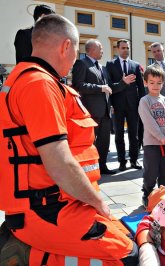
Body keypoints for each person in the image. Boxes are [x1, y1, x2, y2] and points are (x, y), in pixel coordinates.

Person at [0, 14, 137, 265]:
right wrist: (98, 204)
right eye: (75, 49)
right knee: (126, 254)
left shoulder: (34, 79)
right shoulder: (39, 84)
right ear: (66, 46)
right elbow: (59, 161)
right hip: (47, 209)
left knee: (125, 234)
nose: (75, 59)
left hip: (57, 201)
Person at [72, 39, 116, 175]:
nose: (102, 50)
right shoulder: (81, 63)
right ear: (91, 49)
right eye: (100, 48)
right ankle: (86, 169)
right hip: (90, 112)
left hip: (105, 112)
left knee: (104, 141)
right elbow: (78, 85)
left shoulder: (102, 67)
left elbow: (108, 87)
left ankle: (102, 166)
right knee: (89, 142)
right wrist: (99, 88)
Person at [138, 65, 165, 208]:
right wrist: (161, 137)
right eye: (152, 82)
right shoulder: (145, 101)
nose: (155, 86)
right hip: (151, 143)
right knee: (150, 171)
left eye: (159, 83)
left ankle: (164, 194)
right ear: (145, 82)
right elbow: (148, 122)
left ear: (163, 83)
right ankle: (147, 194)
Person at [106, 39, 145, 171]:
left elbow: (140, 86)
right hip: (118, 106)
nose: (125, 50)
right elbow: (110, 86)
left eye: (127, 48)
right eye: (123, 48)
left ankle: (134, 160)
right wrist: (123, 83)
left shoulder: (135, 65)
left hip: (133, 106)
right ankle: (122, 161)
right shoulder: (110, 64)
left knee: (134, 135)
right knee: (119, 135)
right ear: (118, 49)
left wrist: (142, 103)